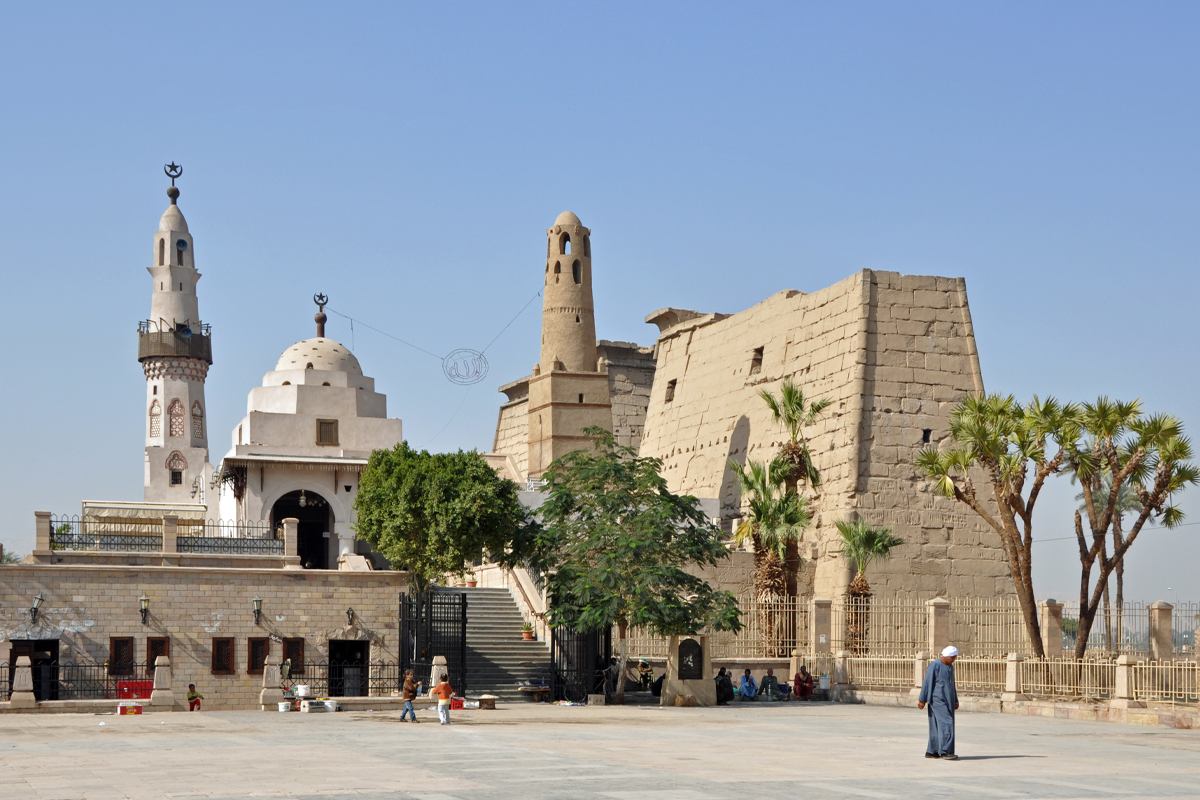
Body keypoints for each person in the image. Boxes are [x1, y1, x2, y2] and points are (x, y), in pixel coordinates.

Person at [918, 645, 960, 760]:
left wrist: (955, 700)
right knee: (947, 723)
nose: (953, 660)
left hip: (948, 700)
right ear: (947, 656)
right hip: (937, 699)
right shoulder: (935, 665)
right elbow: (927, 682)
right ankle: (946, 751)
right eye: (953, 658)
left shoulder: (950, 667)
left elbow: (952, 685)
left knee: (936, 725)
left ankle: (933, 750)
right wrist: (922, 699)